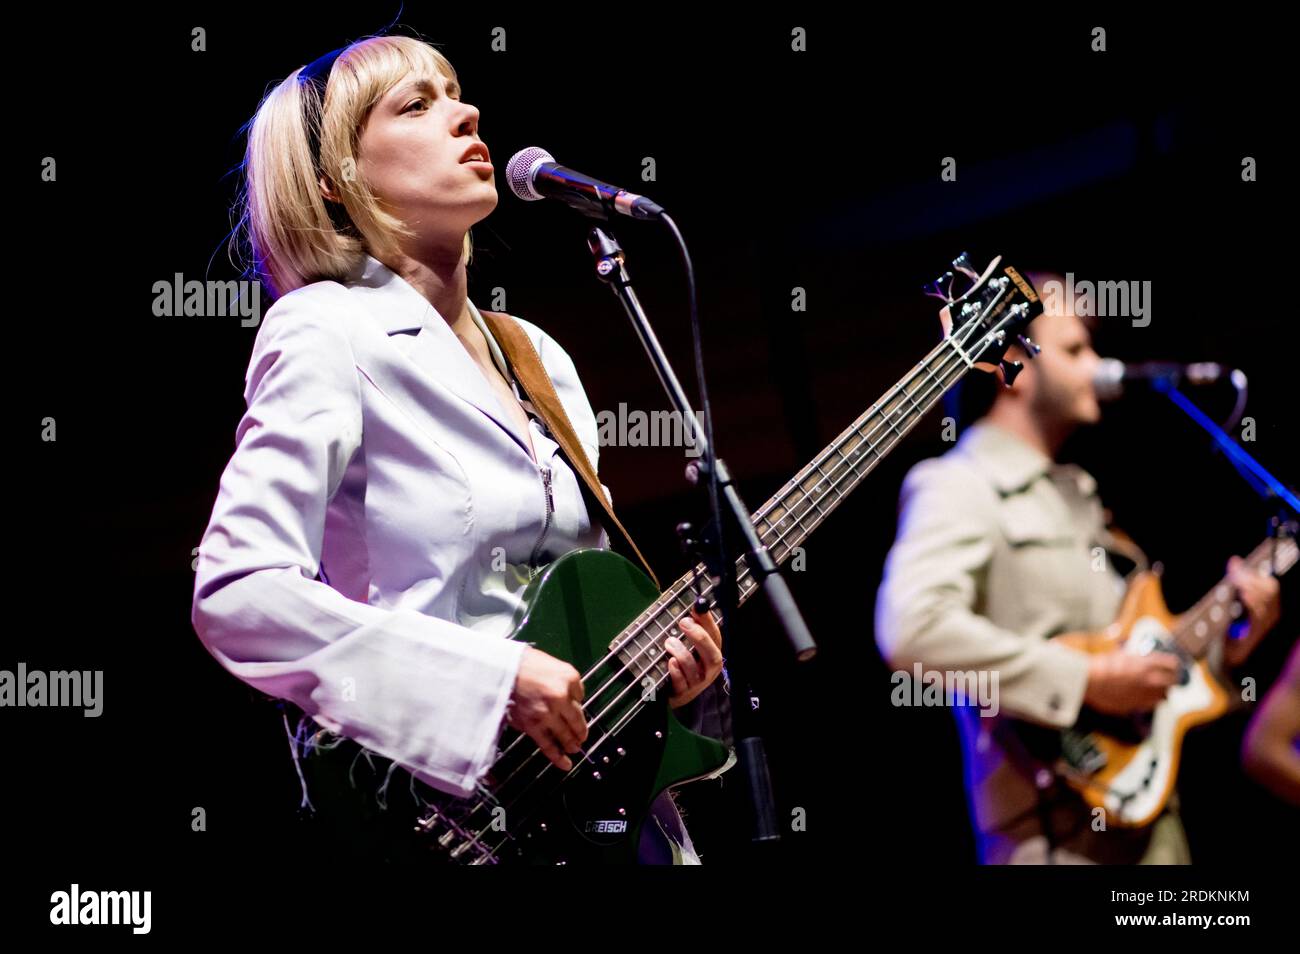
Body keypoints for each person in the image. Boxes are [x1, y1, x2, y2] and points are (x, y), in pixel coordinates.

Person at [190, 33, 725, 864]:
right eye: (417, 103)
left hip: (605, 826)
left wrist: (667, 677)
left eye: (456, 90)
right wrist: (487, 681)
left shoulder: (535, 356)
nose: (466, 111)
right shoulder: (328, 329)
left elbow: (574, 605)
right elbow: (237, 592)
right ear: (336, 179)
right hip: (444, 821)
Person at [874, 273, 1281, 863]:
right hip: (1054, 838)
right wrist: (1084, 681)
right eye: (1074, 350)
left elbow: (1136, 662)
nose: (1098, 362)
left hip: (1153, 822)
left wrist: (1233, 645)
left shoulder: (1080, 494)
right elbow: (912, 629)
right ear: (1011, 363)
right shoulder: (958, 485)